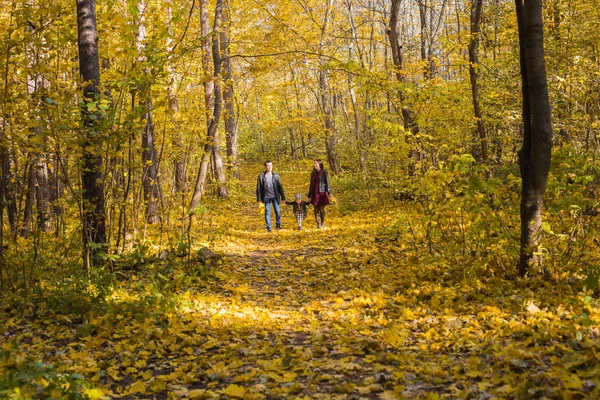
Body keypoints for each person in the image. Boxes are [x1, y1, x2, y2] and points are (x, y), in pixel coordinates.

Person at [256, 160, 286, 232]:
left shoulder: (276, 175)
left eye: (271, 165)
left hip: (275, 197)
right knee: (267, 212)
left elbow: (280, 187)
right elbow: (258, 188)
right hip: (266, 197)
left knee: (278, 212)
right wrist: (259, 200)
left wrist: (283, 197)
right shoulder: (261, 176)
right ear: (265, 166)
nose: (269, 167)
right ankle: (269, 228)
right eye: (268, 165)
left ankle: (278, 226)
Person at [307, 159, 330, 229]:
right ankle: (318, 224)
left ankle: (322, 222)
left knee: (321, 209)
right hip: (315, 193)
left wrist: (328, 192)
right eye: (314, 164)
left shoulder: (324, 172)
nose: (314, 165)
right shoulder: (313, 173)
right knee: (316, 209)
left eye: (316, 163)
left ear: (319, 164)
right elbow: (311, 184)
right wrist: (309, 194)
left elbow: (327, 182)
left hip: (322, 192)